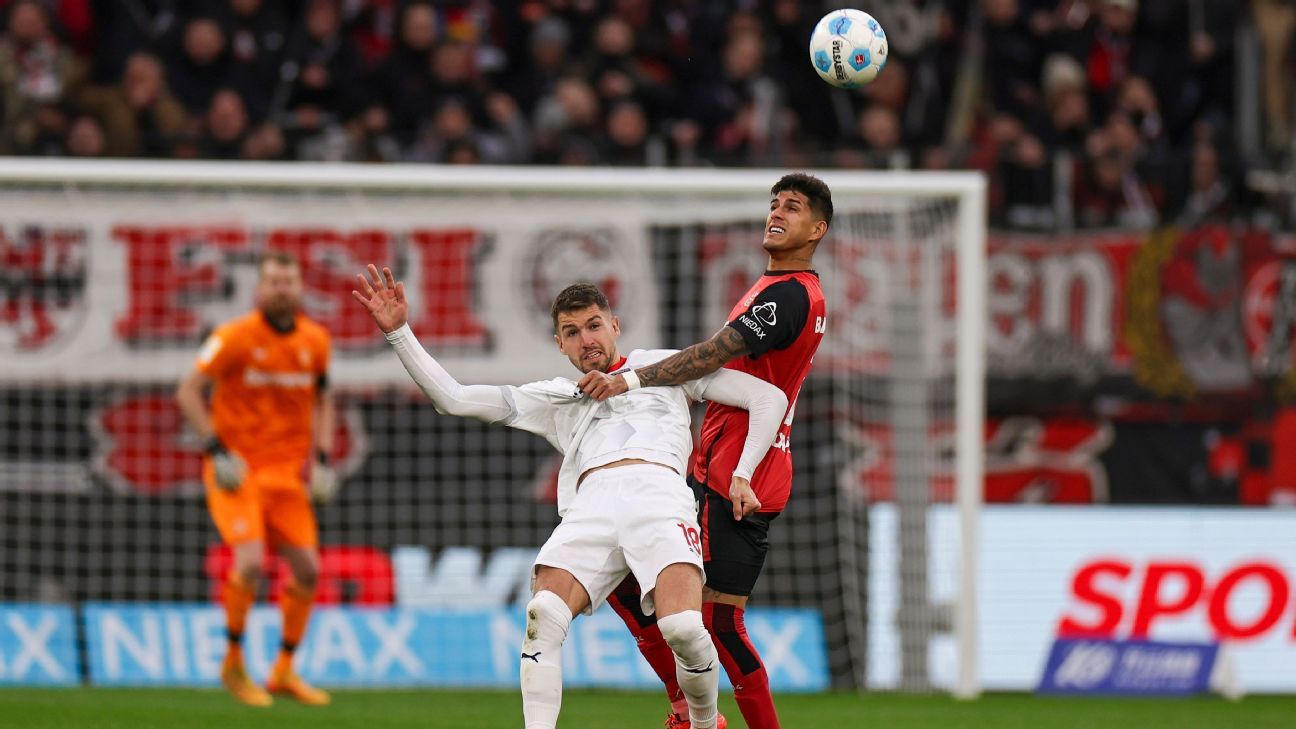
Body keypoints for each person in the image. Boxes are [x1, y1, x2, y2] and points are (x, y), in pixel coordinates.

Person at [352, 266, 791, 729]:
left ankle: (704, 724)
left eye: (595, 325)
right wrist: (399, 332)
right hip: (592, 508)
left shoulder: (668, 367)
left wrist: (744, 472)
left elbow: (768, 399)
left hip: (660, 497)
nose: (587, 340)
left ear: (615, 325)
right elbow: (454, 398)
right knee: (542, 615)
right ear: (559, 344)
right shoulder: (556, 398)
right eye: (572, 332)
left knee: (683, 627)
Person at [579, 173, 831, 729]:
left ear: (818, 229)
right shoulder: (777, 288)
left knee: (718, 623)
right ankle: (688, 710)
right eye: (774, 203)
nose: (777, 212)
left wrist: (633, 379)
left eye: (792, 207)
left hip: (742, 474)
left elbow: (712, 356)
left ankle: (700, 716)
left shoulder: (788, 295)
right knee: (627, 580)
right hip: (721, 467)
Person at [176, 250, 339, 707]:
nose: (281, 289)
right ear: (260, 288)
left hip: (286, 478)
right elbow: (188, 392)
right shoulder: (233, 337)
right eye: (273, 281)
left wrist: (322, 460)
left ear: (300, 288)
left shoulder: (316, 340)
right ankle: (231, 664)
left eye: (289, 281)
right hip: (238, 473)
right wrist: (215, 449)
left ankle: (283, 670)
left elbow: (324, 398)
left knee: (308, 570)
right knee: (250, 562)